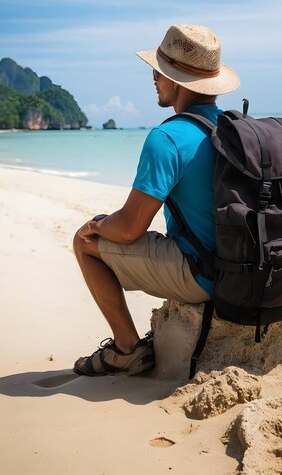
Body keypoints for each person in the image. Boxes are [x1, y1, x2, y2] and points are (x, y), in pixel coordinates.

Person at [73, 23, 240, 376]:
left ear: (177, 80)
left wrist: (96, 225)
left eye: (160, 71)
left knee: (84, 242)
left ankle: (127, 349)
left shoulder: (167, 137)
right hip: (240, 269)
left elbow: (131, 227)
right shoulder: (233, 127)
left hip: (203, 276)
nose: (154, 77)